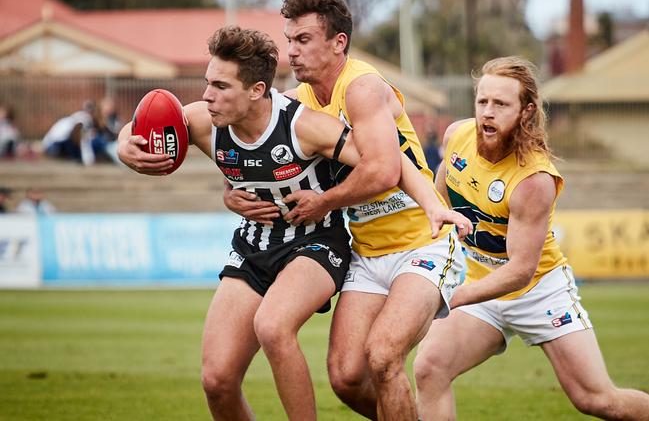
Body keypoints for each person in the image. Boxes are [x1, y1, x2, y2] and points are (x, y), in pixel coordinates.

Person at [117, 26, 469, 421]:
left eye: (220, 85)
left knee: (272, 325)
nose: (206, 96)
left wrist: (432, 205)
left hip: (315, 243)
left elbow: (386, 159)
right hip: (254, 245)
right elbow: (146, 125)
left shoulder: (303, 125)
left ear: (256, 91)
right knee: (217, 380)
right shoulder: (203, 121)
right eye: (206, 83)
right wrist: (124, 144)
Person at [223, 0, 468, 420]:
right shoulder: (297, 103)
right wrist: (233, 193)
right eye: (288, 40)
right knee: (346, 376)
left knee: (383, 356)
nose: (291, 52)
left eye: (303, 40)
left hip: (421, 246)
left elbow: (382, 170)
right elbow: (258, 147)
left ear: (338, 43)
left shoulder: (362, 87)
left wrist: (324, 202)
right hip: (367, 253)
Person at [413, 56, 649, 420]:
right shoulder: (456, 135)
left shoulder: (534, 178)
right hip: (480, 285)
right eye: (482, 102)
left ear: (526, 112)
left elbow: (521, 270)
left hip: (538, 291)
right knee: (429, 368)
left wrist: (448, 296)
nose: (487, 113)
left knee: (596, 399)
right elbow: (441, 195)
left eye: (501, 104)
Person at [42, 101, 96, 165]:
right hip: (53, 146)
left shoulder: (71, 118)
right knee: (71, 142)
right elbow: (78, 135)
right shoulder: (84, 118)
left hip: (49, 146)